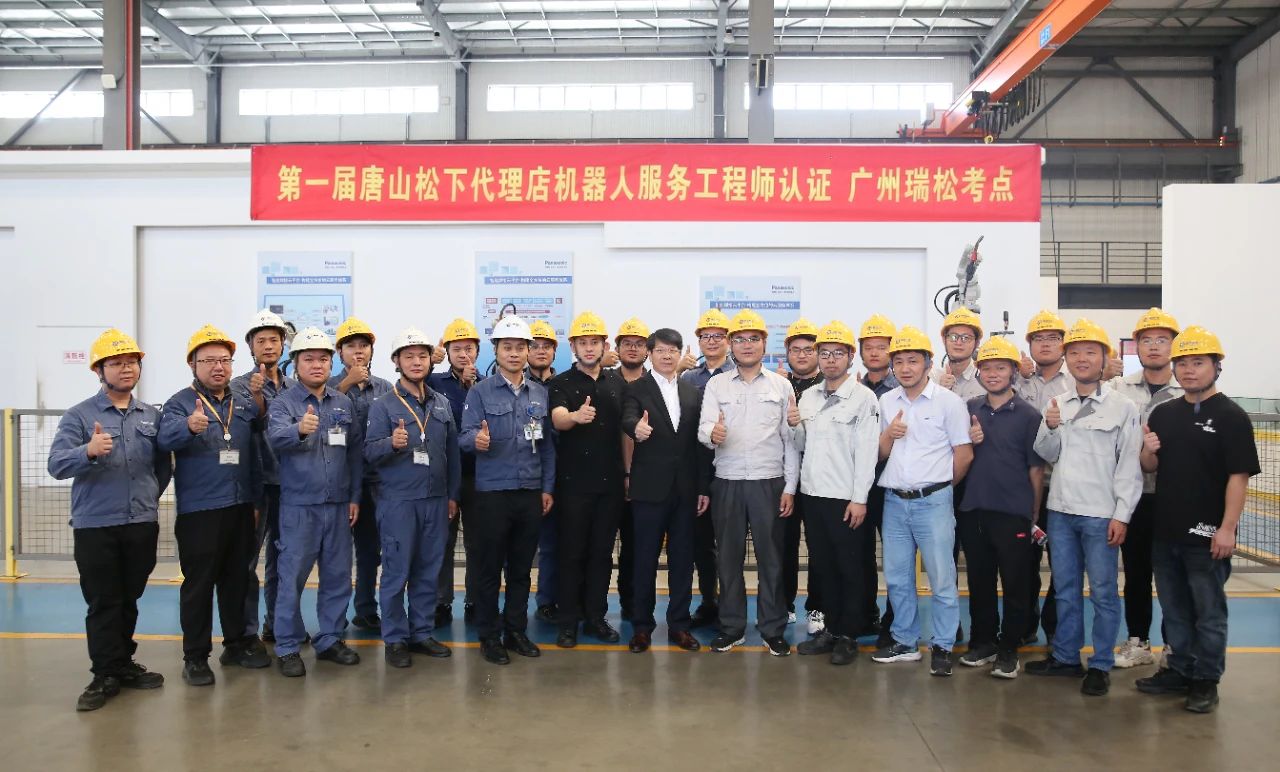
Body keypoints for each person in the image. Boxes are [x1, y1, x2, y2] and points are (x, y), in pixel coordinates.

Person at [1137, 326, 1259, 713]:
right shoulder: (1164, 413)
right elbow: (1150, 466)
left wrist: (1227, 529)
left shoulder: (1232, 417)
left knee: (1208, 613)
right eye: (1183, 363)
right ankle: (1180, 670)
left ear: (1216, 367)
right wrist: (1148, 450)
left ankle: (1206, 679)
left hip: (1207, 536)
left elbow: (1238, 477)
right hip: (1166, 532)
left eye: (1198, 362)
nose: (1189, 370)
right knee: (1174, 610)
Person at [49, 329, 172, 712]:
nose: (126, 368)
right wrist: (87, 451)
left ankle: (122, 663)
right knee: (104, 600)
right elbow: (55, 465)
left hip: (140, 522)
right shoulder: (80, 416)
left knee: (130, 596)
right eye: (116, 363)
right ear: (99, 370)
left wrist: (148, 497)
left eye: (131, 362)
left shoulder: (151, 415)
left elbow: (161, 467)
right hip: (96, 525)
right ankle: (104, 673)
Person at [1028, 319, 1142, 697]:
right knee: (1065, 589)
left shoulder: (1123, 408)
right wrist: (1049, 426)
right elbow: (1047, 454)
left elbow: (1129, 465)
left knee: (1104, 593)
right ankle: (1065, 656)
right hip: (1061, 511)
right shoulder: (1057, 404)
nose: (1081, 358)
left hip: (1100, 514)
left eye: (1090, 352)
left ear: (1104, 358)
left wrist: (1122, 514)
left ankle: (1101, 663)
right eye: (1074, 352)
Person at [158, 325, 270, 687]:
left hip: (240, 506)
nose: (218, 367)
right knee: (199, 585)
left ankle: (236, 644)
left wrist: (255, 500)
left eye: (224, 360)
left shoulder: (244, 403)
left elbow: (254, 455)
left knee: (237, 580)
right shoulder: (179, 403)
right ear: (192, 364)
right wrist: (188, 427)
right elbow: (163, 440)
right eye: (208, 360)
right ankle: (195, 657)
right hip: (200, 511)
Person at [870, 326, 972, 677]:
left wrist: (940, 488)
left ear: (928, 363)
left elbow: (964, 454)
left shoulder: (949, 402)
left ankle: (943, 645)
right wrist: (888, 435)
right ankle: (905, 641)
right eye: (899, 361)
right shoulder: (886, 402)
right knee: (898, 578)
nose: (905, 368)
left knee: (942, 578)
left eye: (913, 360)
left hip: (933, 503)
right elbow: (878, 454)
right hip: (894, 503)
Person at [698, 309, 799, 656]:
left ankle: (773, 628)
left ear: (764, 344)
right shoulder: (717, 384)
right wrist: (712, 433)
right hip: (727, 482)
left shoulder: (781, 385)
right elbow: (703, 428)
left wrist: (790, 487)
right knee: (728, 560)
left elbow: (790, 442)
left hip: (769, 483)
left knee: (772, 560)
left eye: (753, 339)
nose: (746, 345)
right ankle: (732, 627)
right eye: (739, 339)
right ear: (731, 344)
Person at [267, 327, 365, 677]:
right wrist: (298, 429)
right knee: (291, 577)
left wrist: (354, 497)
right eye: (308, 359)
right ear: (295, 364)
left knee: (337, 576)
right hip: (299, 507)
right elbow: (275, 438)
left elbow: (354, 453)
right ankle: (288, 646)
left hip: (337, 505)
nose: (317, 364)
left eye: (323, 359)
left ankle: (330, 639)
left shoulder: (343, 402)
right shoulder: (284, 403)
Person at [459, 315, 556, 665]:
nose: (514, 353)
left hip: (529, 492)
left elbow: (547, 447)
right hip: (492, 494)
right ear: (496, 351)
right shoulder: (480, 392)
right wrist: (477, 440)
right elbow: (463, 436)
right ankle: (489, 635)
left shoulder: (540, 393)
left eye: (520, 347)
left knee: (520, 569)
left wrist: (546, 488)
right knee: (489, 569)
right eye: (507, 347)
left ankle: (516, 630)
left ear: (528, 351)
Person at [364, 327, 460, 667]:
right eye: (409, 356)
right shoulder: (383, 406)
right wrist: (391, 443)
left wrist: (452, 495)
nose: (417, 362)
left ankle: (421, 632)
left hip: (435, 500)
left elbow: (452, 454)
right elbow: (368, 452)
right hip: (398, 502)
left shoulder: (441, 403)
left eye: (422, 356)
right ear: (396, 361)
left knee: (428, 570)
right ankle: (395, 638)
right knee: (396, 572)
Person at [956, 336, 1046, 679]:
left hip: (1012, 513)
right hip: (974, 509)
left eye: (1001, 368)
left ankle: (1009, 648)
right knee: (979, 581)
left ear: (1013, 372)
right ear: (979, 372)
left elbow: (1035, 470)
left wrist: (1032, 511)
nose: (993, 374)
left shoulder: (1028, 415)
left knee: (1015, 583)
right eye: (987, 368)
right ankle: (983, 642)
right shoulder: (969, 409)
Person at [792, 321, 879, 665]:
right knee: (823, 566)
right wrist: (793, 424)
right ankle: (829, 630)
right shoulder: (809, 396)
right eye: (824, 353)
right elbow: (801, 444)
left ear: (850, 357)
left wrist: (859, 499)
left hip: (846, 498)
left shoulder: (864, 398)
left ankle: (849, 635)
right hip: (813, 495)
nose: (830, 359)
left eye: (837, 353)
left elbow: (867, 453)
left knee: (850, 567)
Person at [620, 327, 708, 653]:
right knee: (644, 560)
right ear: (650, 354)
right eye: (660, 350)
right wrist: (636, 428)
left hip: (685, 491)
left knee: (683, 562)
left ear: (679, 354)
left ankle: (679, 626)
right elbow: (627, 417)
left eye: (673, 350)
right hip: (649, 490)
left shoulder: (692, 392)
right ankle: (642, 627)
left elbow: (699, 444)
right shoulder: (636, 389)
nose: (667, 356)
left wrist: (702, 487)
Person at [1109, 308, 1183, 669]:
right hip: (1133, 498)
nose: (1154, 346)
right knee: (1136, 573)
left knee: (1173, 576)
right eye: (1146, 340)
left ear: (1174, 346)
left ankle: (1174, 645)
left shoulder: (1188, 390)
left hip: (1175, 499)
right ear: (1135, 346)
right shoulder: (1118, 388)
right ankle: (1138, 641)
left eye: (1162, 340)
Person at [549, 311, 627, 647]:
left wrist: (627, 474)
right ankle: (568, 621)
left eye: (595, 342)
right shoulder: (561, 383)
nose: (590, 347)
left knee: (601, 554)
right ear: (573, 346)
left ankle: (596, 618)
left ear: (604, 345)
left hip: (610, 486)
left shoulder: (617, 384)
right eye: (583, 342)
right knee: (571, 554)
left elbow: (626, 433)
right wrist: (575, 416)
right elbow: (557, 418)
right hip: (573, 486)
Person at [230, 309, 294, 644]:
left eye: (273, 340)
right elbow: (248, 426)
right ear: (251, 348)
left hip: (289, 486)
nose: (268, 346)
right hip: (254, 487)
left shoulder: (295, 387)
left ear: (283, 345)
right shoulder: (238, 387)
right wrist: (256, 396)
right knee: (246, 560)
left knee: (283, 561)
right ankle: (245, 635)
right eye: (261, 341)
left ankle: (277, 625)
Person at [329, 317, 393, 632]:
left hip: (378, 480)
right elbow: (322, 412)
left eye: (364, 345)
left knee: (372, 551)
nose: (358, 351)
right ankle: (334, 617)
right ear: (339, 352)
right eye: (351, 346)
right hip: (339, 481)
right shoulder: (327, 385)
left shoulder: (385, 387)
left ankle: (366, 609)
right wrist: (347, 384)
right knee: (337, 553)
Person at [1015, 309, 1073, 648]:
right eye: (1039, 339)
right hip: (1024, 486)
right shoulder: (1018, 381)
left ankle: (1055, 627)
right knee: (1024, 562)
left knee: (1063, 563)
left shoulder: (1076, 382)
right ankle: (1025, 625)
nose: (1046, 344)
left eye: (1053, 338)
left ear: (1063, 344)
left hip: (1063, 486)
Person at [681, 307, 735, 629]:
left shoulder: (738, 375)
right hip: (696, 472)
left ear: (728, 340)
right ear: (699, 341)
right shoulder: (688, 378)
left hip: (730, 470)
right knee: (702, 545)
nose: (712, 341)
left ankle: (730, 605)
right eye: (706, 336)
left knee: (728, 545)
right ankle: (708, 601)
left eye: (718, 336)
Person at [428, 318, 484, 627]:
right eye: (457, 349)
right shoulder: (435, 382)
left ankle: (475, 600)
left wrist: (471, 386)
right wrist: (430, 360)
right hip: (445, 475)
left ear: (478, 351)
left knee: (477, 542)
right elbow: (411, 385)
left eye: (469, 349)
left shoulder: (487, 384)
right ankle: (441, 602)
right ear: (447, 352)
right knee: (442, 541)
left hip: (478, 476)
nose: (464, 354)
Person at [778, 317, 826, 635]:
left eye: (809, 349)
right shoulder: (778, 386)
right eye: (796, 349)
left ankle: (817, 608)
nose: (802, 354)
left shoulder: (829, 388)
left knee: (819, 546)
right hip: (783, 480)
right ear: (787, 354)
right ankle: (784, 605)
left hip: (821, 479)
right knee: (784, 544)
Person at [857, 313, 899, 647]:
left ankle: (895, 619)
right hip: (859, 486)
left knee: (896, 558)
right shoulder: (855, 390)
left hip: (892, 486)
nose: (874, 352)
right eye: (868, 347)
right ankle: (865, 612)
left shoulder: (901, 390)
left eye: (881, 347)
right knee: (861, 555)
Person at [614, 316, 651, 621]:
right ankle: (592, 608)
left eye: (639, 344)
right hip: (608, 478)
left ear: (647, 350)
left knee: (637, 547)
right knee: (598, 547)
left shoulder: (656, 386)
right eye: (627, 343)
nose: (633, 348)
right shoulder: (605, 383)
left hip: (645, 480)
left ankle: (633, 603)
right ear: (617, 348)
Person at [526, 319, 561, 622]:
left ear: (554, 351)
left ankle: (548, 599)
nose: (540, 351)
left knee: (551, 546)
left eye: (546, 346)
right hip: (522, 475)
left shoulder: (564, 385)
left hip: (558, 476)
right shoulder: (513, 385)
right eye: (535, 346)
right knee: (515, 547)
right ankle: (511, 606)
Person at [932, 306, 986, 401]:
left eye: (966, 338)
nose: (959, 342)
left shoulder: (985, 381)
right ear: (944, 340)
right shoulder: (932, 379)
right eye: (953, 337)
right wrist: (938, 393)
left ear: (977, 343)